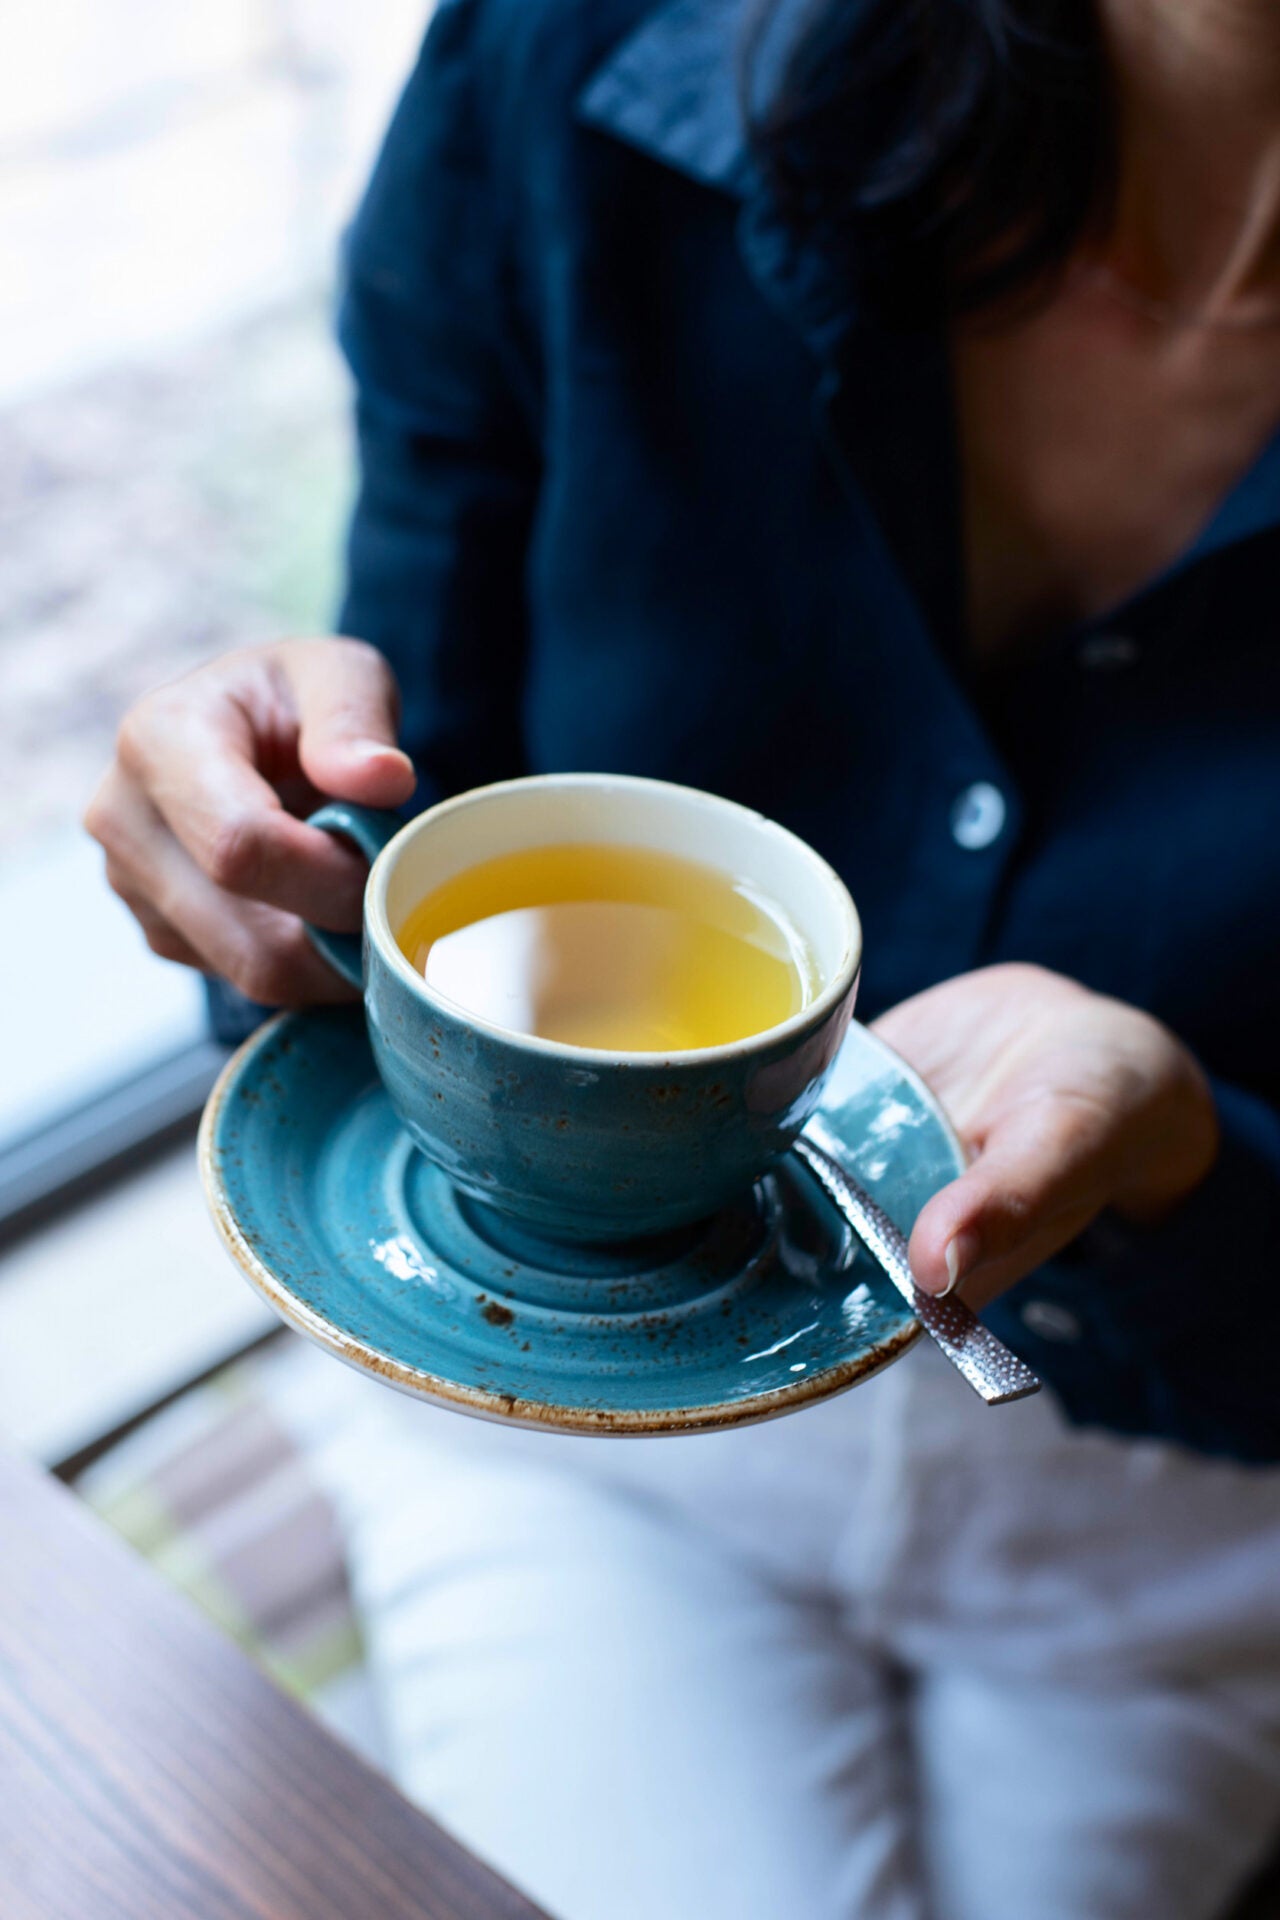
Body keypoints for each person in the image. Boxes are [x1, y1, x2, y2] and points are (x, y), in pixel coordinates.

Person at [86, 0, 1280, 1915]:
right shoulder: (576, 52)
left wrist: (1184, 1158)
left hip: (1171, 1534)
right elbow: (393, 800)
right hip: (575, 1416)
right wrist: (246, 837)